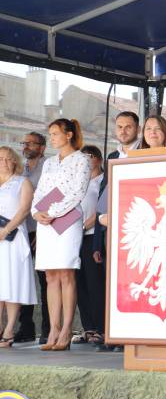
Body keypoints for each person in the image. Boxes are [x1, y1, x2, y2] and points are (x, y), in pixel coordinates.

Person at [32, 118, 91, 351]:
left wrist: (53, 212)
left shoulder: (82, 160)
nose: (52, 137)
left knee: (66, 273)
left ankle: (67, 329)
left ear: (68, 135)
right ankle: (53, 329)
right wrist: (37, 212)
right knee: (50, 275)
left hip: (67, 220)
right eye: (50, 134)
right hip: (46, 222)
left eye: (56, 133)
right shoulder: (48, 163)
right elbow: (39, 191)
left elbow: (78, 192)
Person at [93, 111, 140, 352]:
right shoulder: (113, 156)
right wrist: (98, 239)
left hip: (137, 227)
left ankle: (132, 334)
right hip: (112, 228)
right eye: (119, 127)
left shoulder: (145, 152)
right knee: (114, 284)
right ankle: (115, 333)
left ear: (137, 129)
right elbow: (104, 196)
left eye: (128, 127)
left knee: (134, 282)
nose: (123, 131)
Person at [0, 146, 37, 347]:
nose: (4, 162)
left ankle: (9, 329)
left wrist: (5, 231)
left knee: (12, 283)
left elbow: (24, 210)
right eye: (0, 158)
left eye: (8, 159)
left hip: (13, 238)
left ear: (14, 161)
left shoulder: (22, 182)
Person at [14, 132, 49, 344]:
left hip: (42, 228)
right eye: (23, 142)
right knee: (22, 279)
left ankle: (48, 329)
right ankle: (26, 327)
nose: (25, 146)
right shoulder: (19, 168)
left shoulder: (49, 166)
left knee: (45, 281)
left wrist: (40, 229)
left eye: (30, 143)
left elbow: (53, 194)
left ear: (42, 147)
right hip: (20, 231)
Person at [73, 145, 105, 346]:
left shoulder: (103, 180)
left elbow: (102, 208)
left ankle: (101, 328)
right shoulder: (77, 181)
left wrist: (86, 224)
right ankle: (88, 327)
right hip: (74, 237)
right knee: (79, 283)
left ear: (99, 159)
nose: (86, 160)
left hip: (92, 235)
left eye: (90, 156)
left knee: (95, 283)